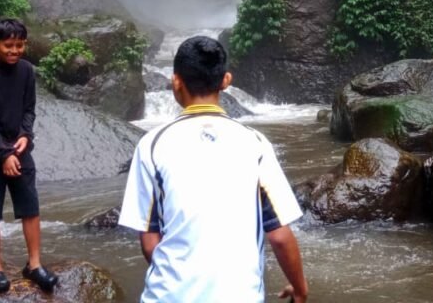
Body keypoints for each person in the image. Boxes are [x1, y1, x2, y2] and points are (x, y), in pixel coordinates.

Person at [119, 36, 309, 302]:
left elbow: (150, 239)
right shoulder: (255, 143)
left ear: (176, 81)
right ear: (226, 80)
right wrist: (300, 289)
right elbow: (279, 235)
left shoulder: (152, 144)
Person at [0, 18, 59, 293]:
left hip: (19, 149)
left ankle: (34, 264)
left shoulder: (27, 71)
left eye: (19, 45)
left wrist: (25, 136)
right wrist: (4, 154)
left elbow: (29, 109)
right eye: (8, 45)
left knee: (30, 207)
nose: (14, 50)